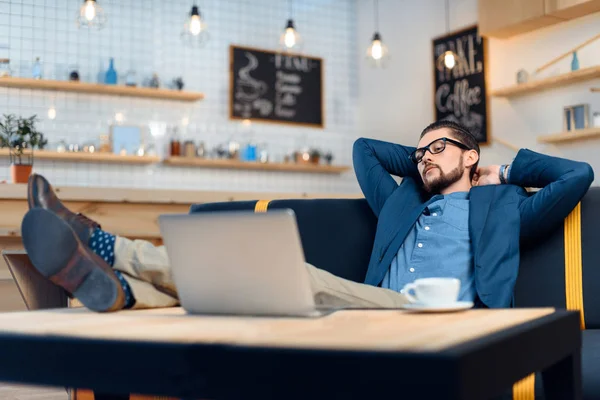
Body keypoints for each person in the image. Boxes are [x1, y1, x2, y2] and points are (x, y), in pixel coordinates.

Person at [21, 120, 594, 312]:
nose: (422, 159)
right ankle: (127, 292)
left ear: (470, 155)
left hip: (441, 318)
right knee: (246, 297)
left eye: (438, 149)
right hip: (378, 314)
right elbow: (367, 149)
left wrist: (504, 169)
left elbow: (577, 176)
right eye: (418, 154)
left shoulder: (504, 207)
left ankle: (104, 244)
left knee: (298, 279)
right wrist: (425, 155)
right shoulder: (403, 201)